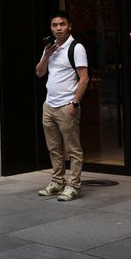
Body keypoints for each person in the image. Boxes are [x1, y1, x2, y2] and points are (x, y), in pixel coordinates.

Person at [35, 10, 89, 202]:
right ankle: (57, 183)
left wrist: (74, 104)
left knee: (73, 150)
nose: (58, 28)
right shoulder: (49, 48)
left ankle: (73, 186)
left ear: (69, 26)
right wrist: (46, 56)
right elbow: (39, 73)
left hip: (67, 106)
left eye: (62, 24)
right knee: (54, 148)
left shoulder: (76, 48)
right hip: (49, 105)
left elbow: (84, 79)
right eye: (55, 25)